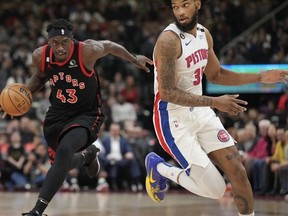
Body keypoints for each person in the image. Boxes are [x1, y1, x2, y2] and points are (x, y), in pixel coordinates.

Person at [144, 1, 288, 216]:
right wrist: (214, 102)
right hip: (172, 119)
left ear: (197, 4)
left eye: (185, 5)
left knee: (238, 171)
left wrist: (261, 77)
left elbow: (217, 74)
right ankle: (160, 168)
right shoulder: (168, 41)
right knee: (216, 189)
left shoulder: (204, 34)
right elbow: (167, 92)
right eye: (175, 7)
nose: (181, 12)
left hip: (200, 111)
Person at [0, 19, 152, 216]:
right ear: (49, 43)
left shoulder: (87, 51)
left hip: (86, 114)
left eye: (64, 42)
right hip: (57, 115)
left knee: (64, 151)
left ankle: (37, 211)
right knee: (60, 164)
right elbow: (39, 78)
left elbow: (111, 46)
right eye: (55, 43)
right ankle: (87, 156)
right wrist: (20, 99)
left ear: (72, 40)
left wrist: (133, 59)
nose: (60, 47)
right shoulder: (40, 55)